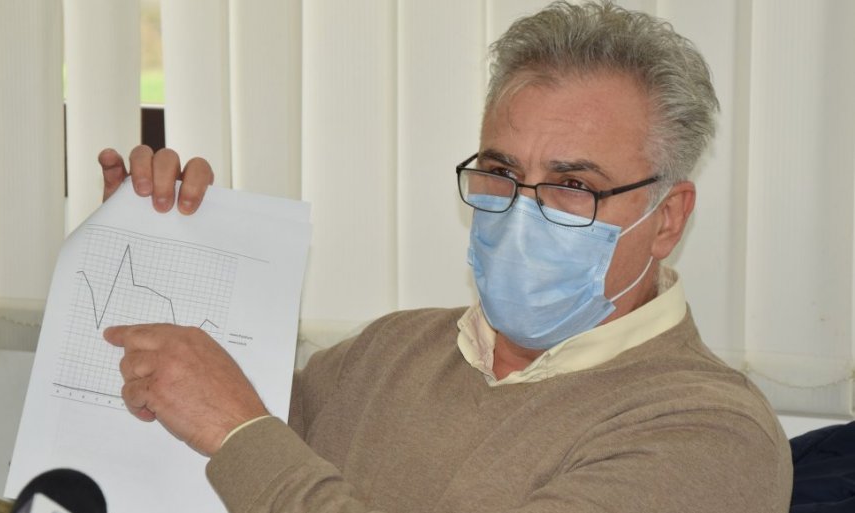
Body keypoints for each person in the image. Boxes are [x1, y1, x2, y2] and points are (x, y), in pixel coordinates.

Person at [98, 1, 792, 511]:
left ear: (666, 218)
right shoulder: (387, 351)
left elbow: (247, 445)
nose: (522, 212)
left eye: (574, 185)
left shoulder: (711, 432)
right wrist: (146, 248)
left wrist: (239, 432)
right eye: (501, 172)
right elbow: (188, 451)